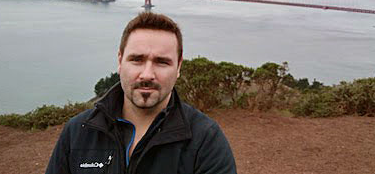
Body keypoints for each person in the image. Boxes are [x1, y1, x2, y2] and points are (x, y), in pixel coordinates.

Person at [45, 12, 237, 174]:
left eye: (162, 62)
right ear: (120, 62)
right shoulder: (78, 131)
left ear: (178, 67)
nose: (147, 74)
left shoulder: (206, 141)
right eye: (137, 59)